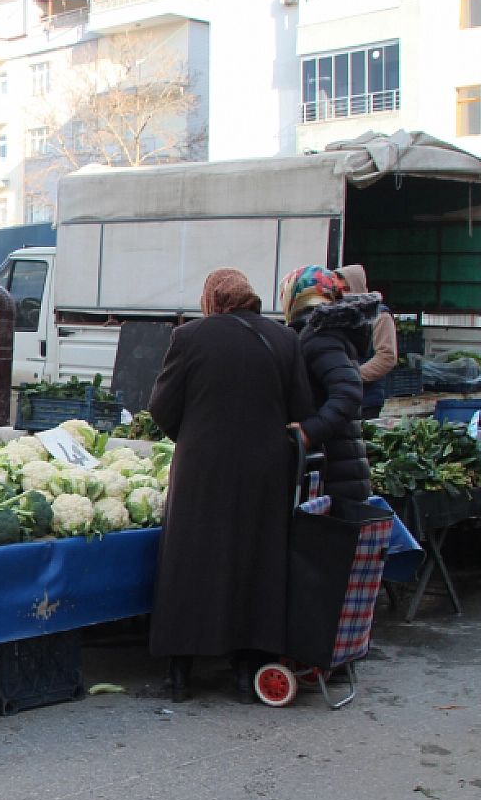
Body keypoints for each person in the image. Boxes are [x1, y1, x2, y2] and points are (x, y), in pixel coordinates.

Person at [148, 269, 314, 702]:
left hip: (202, 468)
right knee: (256, 559)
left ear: (211, 298)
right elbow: (301, 407)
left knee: (192, 560)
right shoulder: (285, 339)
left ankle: (180, 673)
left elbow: (161, 407)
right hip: (265, 470)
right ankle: (245, 673)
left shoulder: (190, 337)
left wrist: (195, 436)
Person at [281, 266, 378, 504]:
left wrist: (310, 431)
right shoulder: (326, 334)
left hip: (335, 474)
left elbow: (348, 392)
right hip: (341, 470)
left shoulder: (318, 336)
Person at [337, 265, 398, 420]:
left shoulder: (379, 316)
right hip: (340, 397)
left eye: (347, 289)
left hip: (367, 399)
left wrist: (353, 375)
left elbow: (387, 357)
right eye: (339, 290)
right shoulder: (338, 316)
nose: (343, 294)